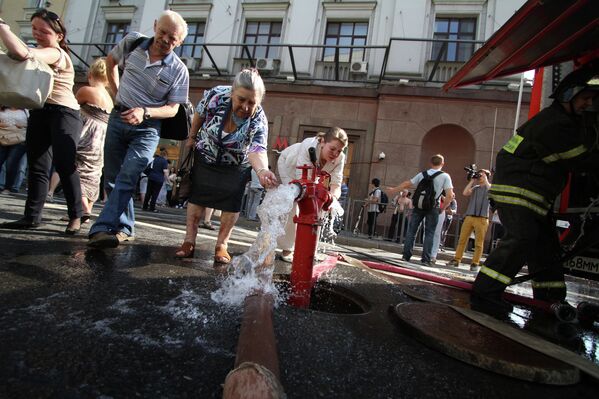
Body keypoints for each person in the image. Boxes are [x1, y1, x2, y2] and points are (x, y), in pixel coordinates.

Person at [472, 64, 599, 311]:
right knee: (522, 238)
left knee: (546, 248)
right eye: (585, 98)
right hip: (519, 191)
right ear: (568, 95)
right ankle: (484, 293)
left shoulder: (565, 122)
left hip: (530, 193)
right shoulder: (555, 124)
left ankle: (550, 300)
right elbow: (582, 159)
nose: (588, 104)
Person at [87, 10, 189, 248]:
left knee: (129, 174)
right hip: (118, 117)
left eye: (172, 38)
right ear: (155, 26)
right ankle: (126, 226)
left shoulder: (179, 70)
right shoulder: (132, 42)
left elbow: (173, 109)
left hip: (148, 128)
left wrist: (145, 111)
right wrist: (117, 94)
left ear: (180, 42)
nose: (165, 40)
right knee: (112, 178)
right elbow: (110, 62)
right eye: (163, 32)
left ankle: (101, 228)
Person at [174, 69, 277, 262]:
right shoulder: (216, 95)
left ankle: (222, 245)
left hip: (236, 164)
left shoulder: (258, 119)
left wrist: (262, 170)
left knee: (231, 204)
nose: (246, 107)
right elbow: (200, 114)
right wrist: (192, 136)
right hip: (207, 155)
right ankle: (189, 241)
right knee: (197, 198)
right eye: (241, 99)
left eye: (252, 102)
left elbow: (257, 148)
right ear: (232, 93)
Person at [0, 9, 83, 234]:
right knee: (37, 167)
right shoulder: (39, 50)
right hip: (39, 110)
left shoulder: (56, 53)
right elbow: (17, 54)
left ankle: (77, 215)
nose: (37, 34)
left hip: (65, 113)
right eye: (34, 29)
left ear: (59, 36)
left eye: (43, 31)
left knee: (65, 164)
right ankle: (31, 217)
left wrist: (2, 26)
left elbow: (22, 52)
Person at [276, 127, 348, 262]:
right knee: (294, 201)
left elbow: (336, 185)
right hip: (289, 166)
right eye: (332, 149)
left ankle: (311, 249)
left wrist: (332, 199)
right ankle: (287, 249)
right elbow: (302, 181)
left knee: (319, 205)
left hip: (312, 177)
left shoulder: (340, 158)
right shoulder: (308, 145)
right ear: (322, 141)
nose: (335, 154)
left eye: (339, 150)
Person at [389, 154, 454, 265]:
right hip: (433, 207)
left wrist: (394, 189)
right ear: (442, 163)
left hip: (418, 206)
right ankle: (426, 259)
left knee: (411, 231)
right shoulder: (445, 176)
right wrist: (443, 208)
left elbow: (407, 183)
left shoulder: (422, 174)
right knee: (430, 233)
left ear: (430, 163)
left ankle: (406, 256)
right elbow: (449, 195)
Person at [74, 57, 113, 222]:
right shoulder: (110, 99)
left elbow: (72, 109)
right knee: (93, 173)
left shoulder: (86, 91)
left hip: (86, 134)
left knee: (77, 170)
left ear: (91, 73)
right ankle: (87, 209)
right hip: (102, 139)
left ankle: (82, 208)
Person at [446, 170, 491, 271]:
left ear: (487, 177)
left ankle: (475, 263)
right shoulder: (475, 188)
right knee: (462, 240)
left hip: (482, 218)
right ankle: (456, 260)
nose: (480, 177)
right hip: (469, 216)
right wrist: (472, 181)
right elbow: (465, 193)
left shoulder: (490, 186)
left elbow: (491, 190)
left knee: (478, 243)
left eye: (482, 175)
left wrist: (486, 179)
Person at [0, 107, 28, 194]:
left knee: (11, 163)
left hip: (19, 140)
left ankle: (8, 187)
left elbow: (31, 125)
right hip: (2, 138)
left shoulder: (25, 111)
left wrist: (22, 126)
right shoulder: (2, 108)